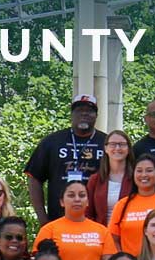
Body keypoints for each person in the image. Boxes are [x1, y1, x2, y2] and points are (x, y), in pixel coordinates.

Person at [25, 93, 107, 224]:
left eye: (89, 111)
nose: (84, 114)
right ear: (72, 115)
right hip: (58, 219)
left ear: (96, 116)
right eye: (79, 110)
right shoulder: (52, 141)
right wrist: (42, 218)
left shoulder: (107, 143)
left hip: (98, 222)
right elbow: (34, 177)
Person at [33, 181, 114, 260]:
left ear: (87, 201)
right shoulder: (49, 229)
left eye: (82, 195)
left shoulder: (102, 230)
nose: (77, 199)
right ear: (62, 202)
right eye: (71, 195)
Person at [107, 154, 155, 257]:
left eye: (149, 170)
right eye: (139, 171)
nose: (144, 175)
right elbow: (113, 239)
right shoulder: (122, 205)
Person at [86, 130, 136, 225]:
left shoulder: (136, 178)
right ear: (106, 148)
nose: (117, 148)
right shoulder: (95, 180)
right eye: (113, 144)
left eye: (122, 144)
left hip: (128, 234)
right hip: (101, 234)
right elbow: (88, 212)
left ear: (128, 148)